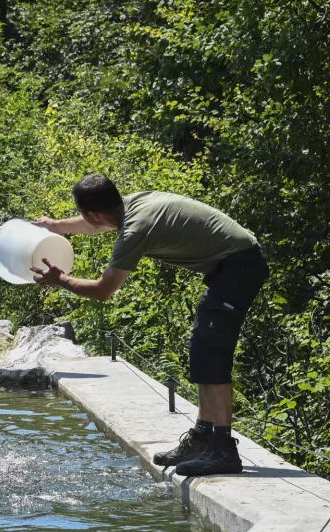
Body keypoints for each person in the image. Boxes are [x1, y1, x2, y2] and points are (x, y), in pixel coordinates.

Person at [31, 174, 268, 476]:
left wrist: (61, 279)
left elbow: (103, 290)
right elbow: (90, 223)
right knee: (202, 349)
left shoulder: (136, 229)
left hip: (240, 266)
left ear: (93, 214)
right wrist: (53, 226)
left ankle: (223, 450)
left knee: (212, 352)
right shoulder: (132, 204)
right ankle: (202, 437)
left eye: (85, 216)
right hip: (233, 265)